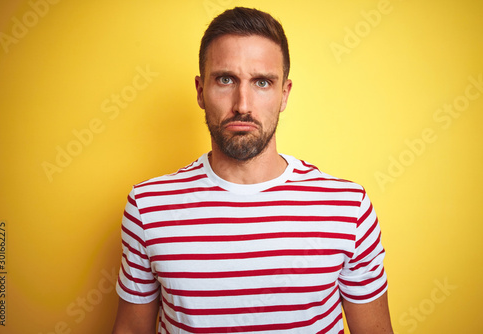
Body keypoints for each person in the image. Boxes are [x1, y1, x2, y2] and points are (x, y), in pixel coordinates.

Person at [112, 7, 393, 334]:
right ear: (201, 91)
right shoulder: (148, 207)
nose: (242, 104)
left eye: (262, 82)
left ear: (284, 94)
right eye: (225, 79)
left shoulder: (347, 208)